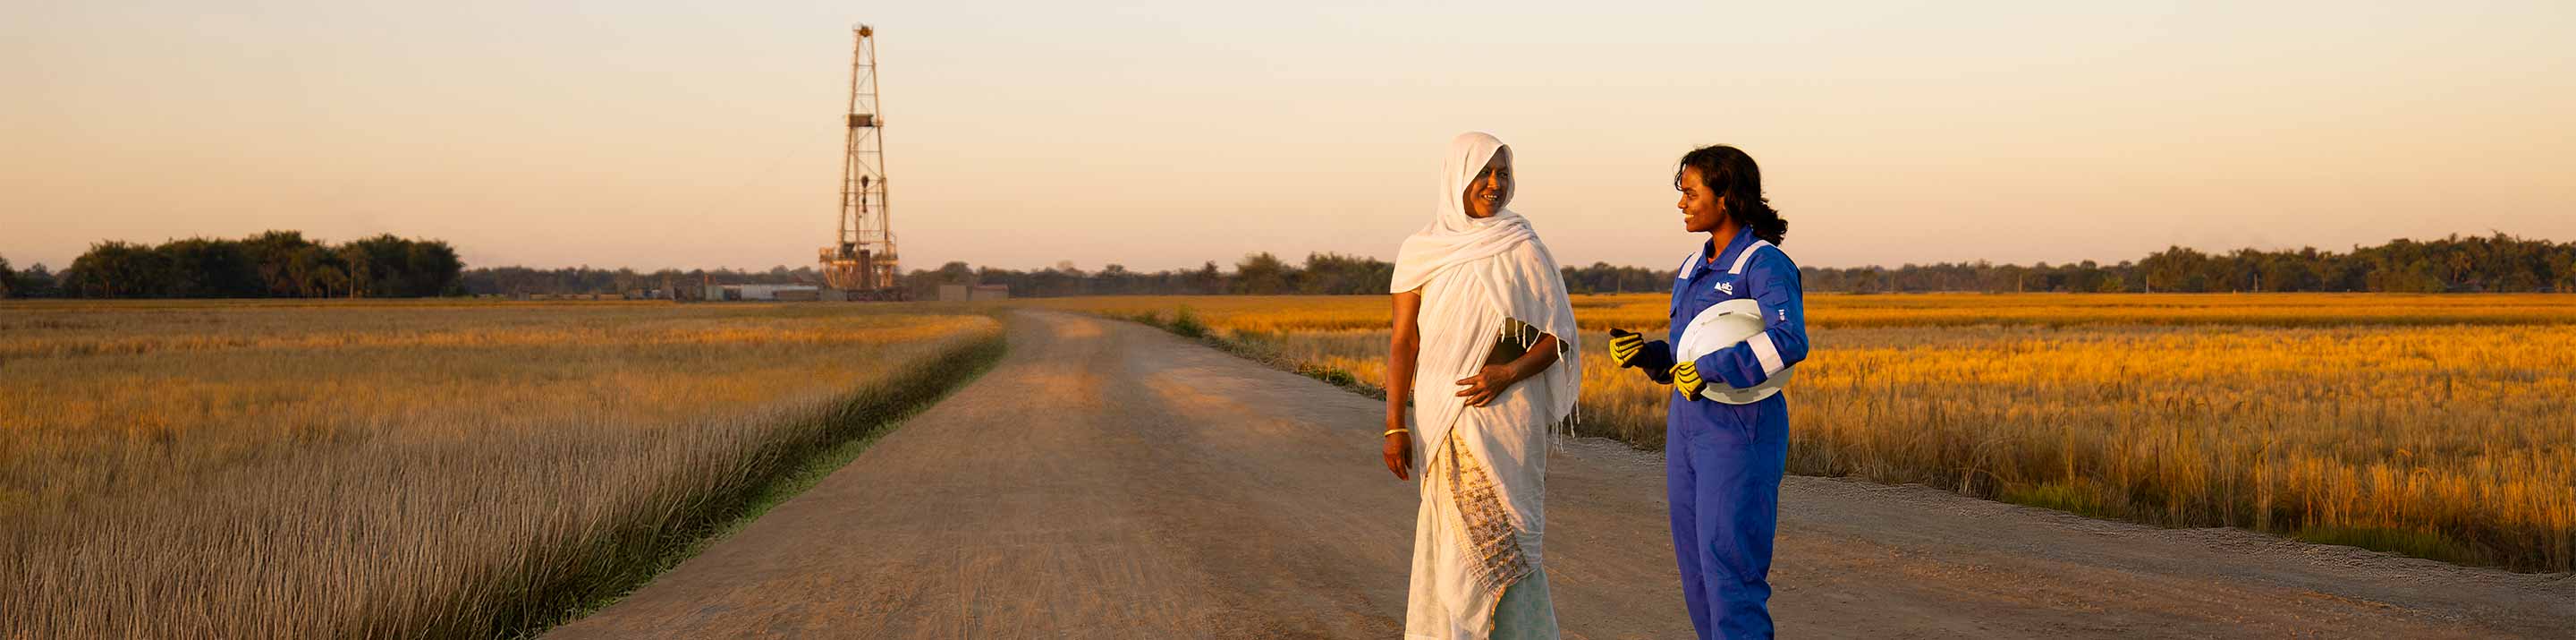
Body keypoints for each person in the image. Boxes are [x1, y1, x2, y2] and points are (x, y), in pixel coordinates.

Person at [1384, 132, 1582, 640]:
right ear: (1457, 177)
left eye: (1503, 174)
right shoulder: (1420, 251)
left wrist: (1507, 374)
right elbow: (1404, 342)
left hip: (1510, 417)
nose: (1494, 184)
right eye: (1484, 173)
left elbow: (1558, 338)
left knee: (1512, 539)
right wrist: (1394, 426)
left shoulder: (1523, 246)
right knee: (1453, 545)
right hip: (1444, 416)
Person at [1606, 145, 1807, 639]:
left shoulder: (1763, 264)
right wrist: (1649, 355)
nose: (1682, 204)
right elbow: (1684, 354)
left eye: (1691, 193)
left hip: (1740, 429)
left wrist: (1716, 368)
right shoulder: (1690, 267)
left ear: (1727, 197)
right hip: (1688, 427)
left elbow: (1789, 340)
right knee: (1696, 569)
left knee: (1730, 567)